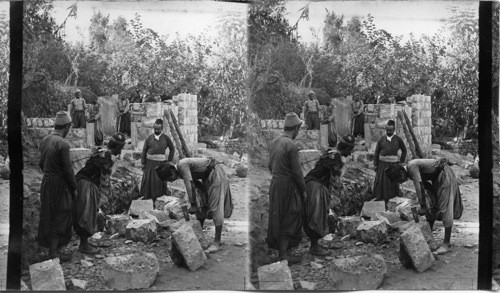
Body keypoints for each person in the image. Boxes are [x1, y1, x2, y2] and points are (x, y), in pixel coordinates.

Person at [386, 158, 464, 255]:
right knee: (432, 206)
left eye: (399, 179)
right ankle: (429, 237)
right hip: (437, 179)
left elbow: (419, 185)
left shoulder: (412, 166)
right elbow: (425, 185)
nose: (401, 182)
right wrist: (431, 199)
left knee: (445, 207)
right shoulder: (410, 173)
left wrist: (423, 206)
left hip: (444, 174)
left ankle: (446, 244)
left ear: (402, 171)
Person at [155, 157, 233, 253]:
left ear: (172, 170)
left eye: (169, 178)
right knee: (202, 206)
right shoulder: (180, 172)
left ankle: (217, 242)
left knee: (215, 207)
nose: (171, 181)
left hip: (215, 174)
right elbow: (196, 184)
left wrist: (193, 204)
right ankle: (199, 237)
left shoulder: (182, 165)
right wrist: (199, 199)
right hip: (207, 177)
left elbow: (189, 183)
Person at [73, 132, 126, 254]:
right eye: (121, 148)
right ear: (117, 148)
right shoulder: (108, 158)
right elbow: (105, 182)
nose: (121, 151)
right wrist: (104, 200)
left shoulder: (100, 151)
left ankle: (84, 243)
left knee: (83, 214)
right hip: (88, 184)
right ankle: (84, 245)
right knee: (87, 215)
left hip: (81, 181)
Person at [303, 134, 355, 256]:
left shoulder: (331, 152)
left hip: (312, 183)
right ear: (347, 149)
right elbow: (336, 182)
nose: (350, 153)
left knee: (315, 215)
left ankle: (314, 244)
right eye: (350, 150)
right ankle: (314, 247)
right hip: (317, 185)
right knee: (317, 216)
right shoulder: (337, 158)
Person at [267, 112, 306, 264]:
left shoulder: (275, 142)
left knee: (278, 217)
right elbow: (297, 172)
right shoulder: (291, 145)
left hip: (275, 183)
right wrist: (303, 190)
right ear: (295, 128)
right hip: (287, 185)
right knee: (291, 215)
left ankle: (281, 252)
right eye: (298, 129)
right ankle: (283, 255)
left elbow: (270, 165)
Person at [38, 111, 77, 261]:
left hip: (46, 182)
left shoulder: (45, 140)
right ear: (66, 127)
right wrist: (74, 188)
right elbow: (68, 170)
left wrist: (50, 174)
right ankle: (54, 252)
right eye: (69, 128)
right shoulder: (63, 144)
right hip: (60, 184)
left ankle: (51, 250)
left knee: (48, 214)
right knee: (62, 214)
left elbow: (41, 164)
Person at [373, 120, 407, 204]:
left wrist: (401, 162)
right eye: (387, 130)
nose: (388, 132)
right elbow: (376, 152)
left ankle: (391, 198)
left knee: (391, 181)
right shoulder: (382, 139)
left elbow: (404, 150)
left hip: (393, 165)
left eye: (390, 130)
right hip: (382, 164)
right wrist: (375, 164)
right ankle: (380, 197)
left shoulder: (398, 139)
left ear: (394, 130)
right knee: (381, 180)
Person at [140, 119, 175, 201]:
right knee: (149, 179)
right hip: (150, 163)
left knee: (159, 180)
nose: (156, 131)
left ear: (162, 129)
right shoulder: (149, 138)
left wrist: (169, 161)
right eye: (155, 129)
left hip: (161, 164)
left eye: (158, 129)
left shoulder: (166, 138)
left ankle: (159, 198)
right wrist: (143, 162)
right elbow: (144, 150)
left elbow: (172, 149)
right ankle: (147, 197)